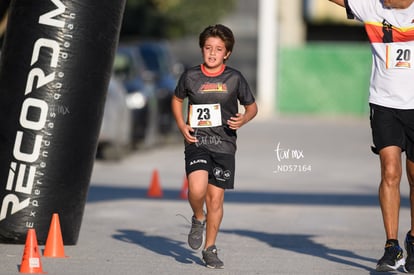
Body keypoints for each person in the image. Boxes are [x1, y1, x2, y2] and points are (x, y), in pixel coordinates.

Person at [329, 0, 414, 272]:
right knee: (390, 172)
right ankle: (391, 246)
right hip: (383, 103)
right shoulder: (371, 7)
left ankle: (413, 239)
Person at [171, 24, 258, 269]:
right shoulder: (190, 76)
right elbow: (177, 100)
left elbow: (252, 107)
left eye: (218, 49)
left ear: (227, 53)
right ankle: (198, 217)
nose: (212, 53)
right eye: (208, 48)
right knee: (197, 190)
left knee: (216, 201)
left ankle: (210, 249)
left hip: (225, 145)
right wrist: (181, 125)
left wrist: (244, 118)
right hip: (197, 141)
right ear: (201, 49)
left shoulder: (235, 78)